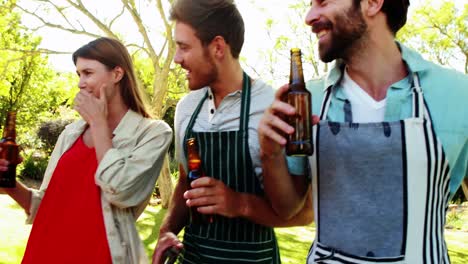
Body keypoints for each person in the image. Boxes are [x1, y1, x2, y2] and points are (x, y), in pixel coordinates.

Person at [258, 0, 468, 263]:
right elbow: (288, 208)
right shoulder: (308, 98)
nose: (309, 17)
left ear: (372, 3)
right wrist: (270, 153)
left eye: (322, 2)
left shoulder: (459, 95)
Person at [151, 0, 312, 263]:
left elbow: (304, 212)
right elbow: (185, 182)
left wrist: (239, 203)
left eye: (183, 47)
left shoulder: (272, 107)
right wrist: (166, 231)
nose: (177, 58)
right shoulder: (186, 108)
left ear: (217, 47)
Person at [0, 37, 172, 264]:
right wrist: (11, 187)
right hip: (43, 253)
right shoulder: (71, 133)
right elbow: (47, 205)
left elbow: (121, 192)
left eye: (88, 73)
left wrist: (99, 124)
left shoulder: (152, 133)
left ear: (117, 74)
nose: (80, 83)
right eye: (78, 74)